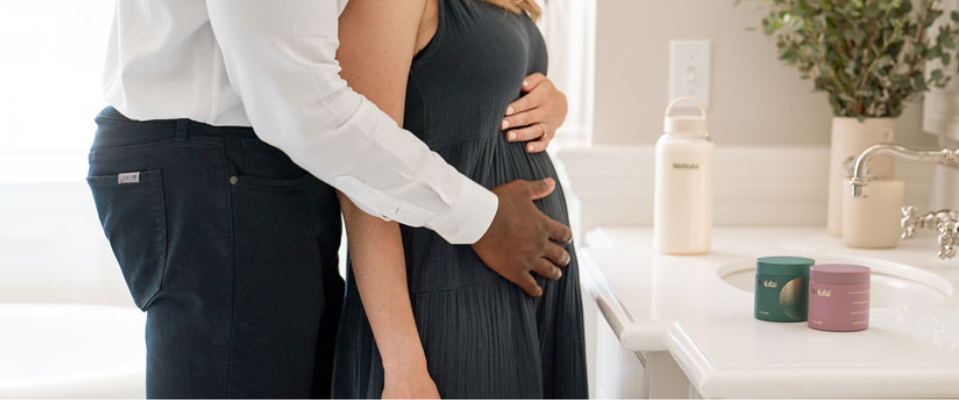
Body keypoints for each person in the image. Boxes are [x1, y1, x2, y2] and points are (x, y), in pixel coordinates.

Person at [89, 0, 572, 397]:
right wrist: (484, 219)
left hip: (252, 165)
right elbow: (305, 107)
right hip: (218, 166)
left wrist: (548, 98)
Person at [331, 0, 588, 397]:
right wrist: (403, 365)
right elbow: (362, 182)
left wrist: (554, 102)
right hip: (447, 298)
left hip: (526, 293)